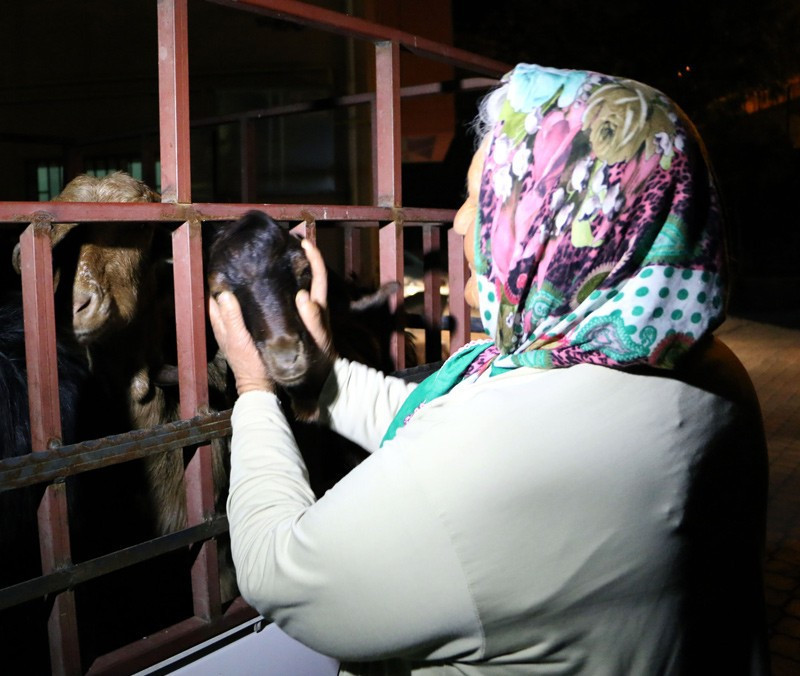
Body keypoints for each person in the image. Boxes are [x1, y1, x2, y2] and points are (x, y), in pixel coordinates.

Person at [209, 63, 769, 674]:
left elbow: (276, 571)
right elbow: (446, 423)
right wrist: (323, 376)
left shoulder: (495, 456)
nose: (460, 223)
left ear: (572, 220)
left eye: (489, 197)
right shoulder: (708, 371)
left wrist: (255, 389)